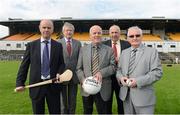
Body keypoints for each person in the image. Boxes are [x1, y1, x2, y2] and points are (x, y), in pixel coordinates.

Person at [15, 19, 65, 114]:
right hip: (36, 87)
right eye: (44, 27)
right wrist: (19, 83)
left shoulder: (58, 46)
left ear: (52, 29)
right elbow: (24, 66)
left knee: (55, 112)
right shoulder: (31, 45)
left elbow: (61, 64)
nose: (46, 30)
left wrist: (59, 73)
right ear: (39, 28)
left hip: (53, 86)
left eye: (49, 28)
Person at [116, 26, 163, 114]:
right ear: (127, 38)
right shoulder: (124, 53)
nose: (135, 38)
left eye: (137, 35)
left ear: (142, 36)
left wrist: (137, 81)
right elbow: (119, 70)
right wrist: (121, 78)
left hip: (144, 98)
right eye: (131, 36)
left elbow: (157, 72)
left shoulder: (151, 52)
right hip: (126, 96)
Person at [76, 25, 116, 114]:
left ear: (102, 35)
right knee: (87, 111)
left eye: (99, 33)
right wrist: (83, 80)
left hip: (103, 87)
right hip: (87, 87)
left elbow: (113, 67)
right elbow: (78, 68)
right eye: (94, 33)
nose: (97, 35)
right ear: (90, 35)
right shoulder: (83, 49)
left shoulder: (110, 50)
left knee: (104, 112)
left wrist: (101, 73)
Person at [102, 25, 131, 114]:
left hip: (122, 78)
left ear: (120, 33)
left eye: (116, 32)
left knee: (121, 102)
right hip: (107, 78)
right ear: (109, 33)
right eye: (112, 32)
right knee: (107, 103)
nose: (114, 34)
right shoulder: (103, 45)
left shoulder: (127, 44)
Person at [58, 22, 81, 114]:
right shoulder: (58, 43)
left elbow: (80, 59)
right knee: (62, 101)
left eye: (70, 30)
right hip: (62, 76)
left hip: (74, 77)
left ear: (73, 32)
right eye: (67, 30)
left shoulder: (78, 43)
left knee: (73, 99)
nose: (69, 32)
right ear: (63, 32)